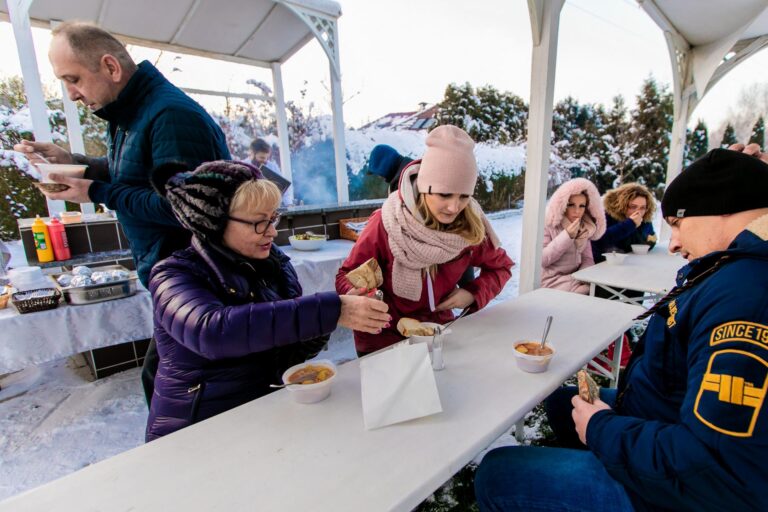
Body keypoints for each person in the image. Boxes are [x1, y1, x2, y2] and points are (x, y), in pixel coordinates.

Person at [474, 148, 768, 511]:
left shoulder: (746, 299)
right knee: (559, 402)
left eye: (677, 223)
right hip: (659, 417)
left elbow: (715, 465)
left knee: (496, 473)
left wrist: (602, 428)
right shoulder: (733, 271)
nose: (673, 243)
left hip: (662, 491)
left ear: (722, 206)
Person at [13, 22, 231, 407]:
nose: (72, 94)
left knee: (174, 388)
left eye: (73, 79)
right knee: (169, 385)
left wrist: (95, 191)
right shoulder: (131, 115)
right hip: (171, 274)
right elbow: (134, 173)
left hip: (196, 279)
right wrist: (75, 164)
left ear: (111, 67)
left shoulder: (171, 117)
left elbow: (186, 208)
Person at [146, 160, 390, 441]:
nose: (272, 232)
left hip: (262, 416)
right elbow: (213, 332)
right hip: (197, 430)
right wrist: (330, 310)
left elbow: (286, 355)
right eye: (259, 222)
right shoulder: (173, 276)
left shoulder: (275, 266)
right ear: (214, 222)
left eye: (273, 218)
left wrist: (328, 322)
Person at [335, 126, 513, 356]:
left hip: (440, 333)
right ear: (424, 187)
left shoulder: (469, 226)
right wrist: (360, 298)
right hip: (385, 338)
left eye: (464, 196)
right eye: (444, 194)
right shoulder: (387, 222)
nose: (454, 207)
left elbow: (501, 267)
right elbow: (346, 275)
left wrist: (472, 293)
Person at [541, 177, 606, 294]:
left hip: (575, 277)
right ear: (563, 204)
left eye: (582, 206)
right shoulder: (549, 224)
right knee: (591, 292)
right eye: (572, 205)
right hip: (551, 280)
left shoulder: (586, 226)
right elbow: (543, 259)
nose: (577, 211)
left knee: (604, 287)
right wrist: (567, 235)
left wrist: (583, 275)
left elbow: (588, 258)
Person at [591, 182, 657, 263]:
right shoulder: (606, 215)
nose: (638, 212)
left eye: (642, 208)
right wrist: (630, 224)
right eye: (633, 207)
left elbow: (651, 240)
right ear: (622, 205)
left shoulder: (645, 219)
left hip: (630, 265)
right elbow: (598, 241)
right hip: (602, 265)